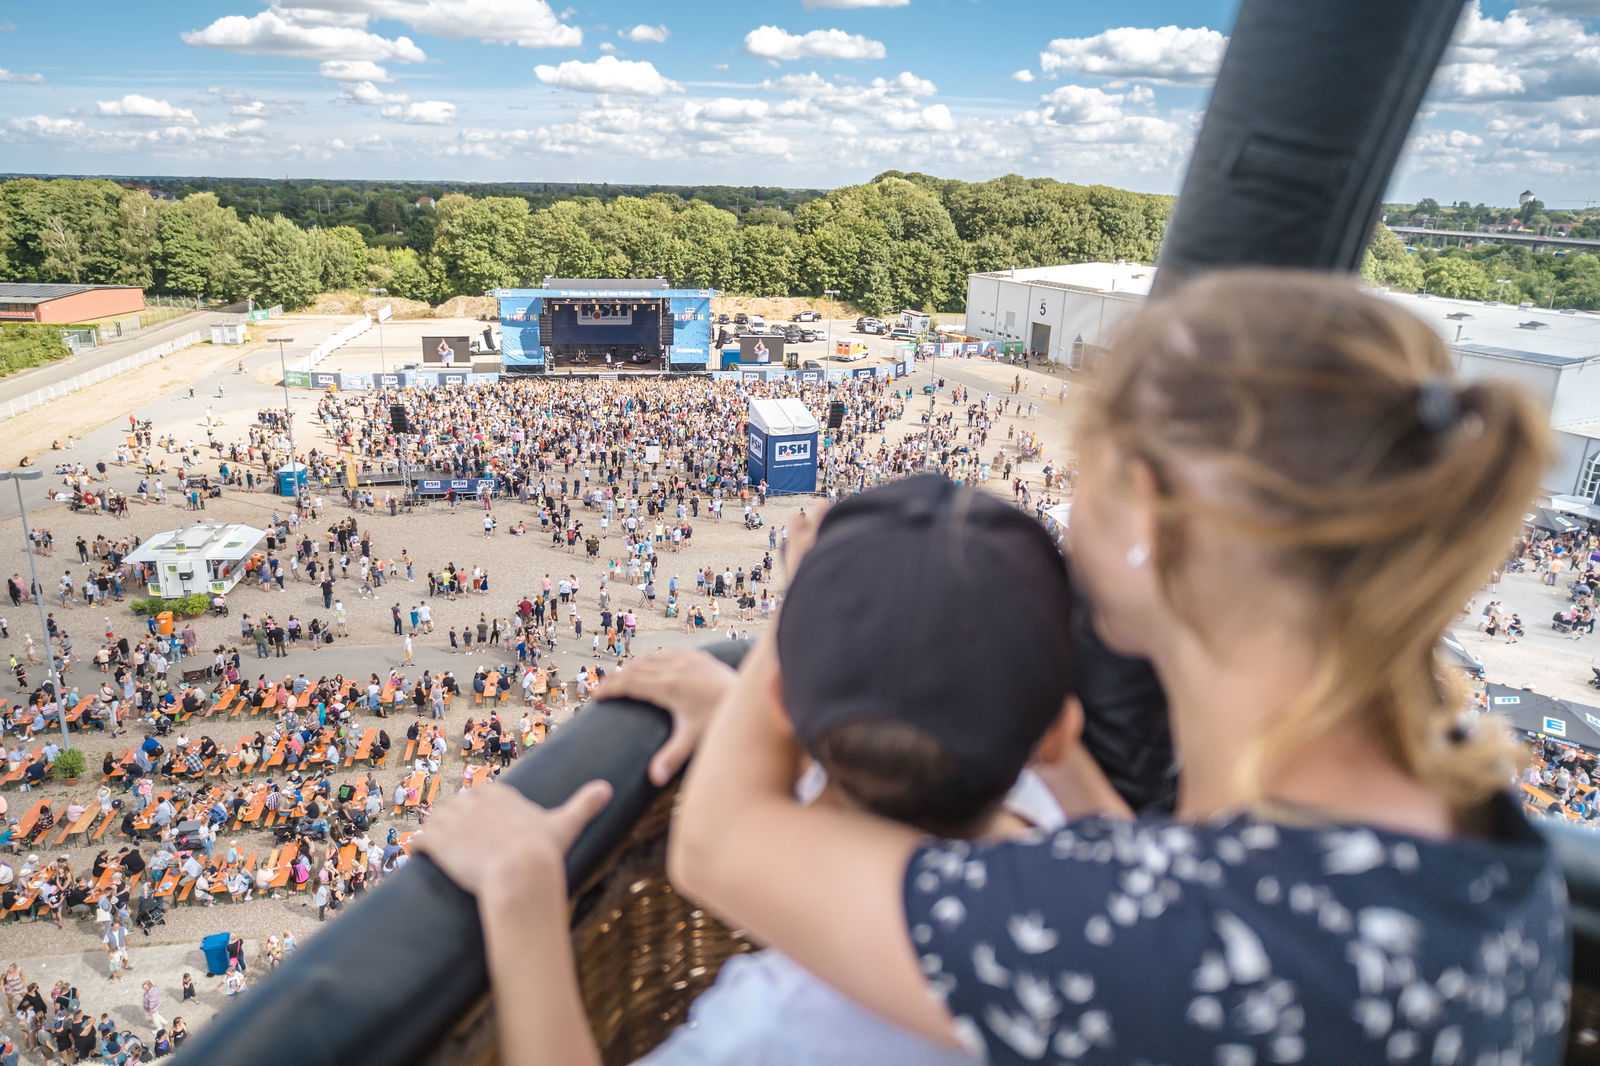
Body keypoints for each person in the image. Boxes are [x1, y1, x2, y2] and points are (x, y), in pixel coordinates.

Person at [435, 272, 1567, 1066]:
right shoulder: (1470, 838)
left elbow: (721, 843)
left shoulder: (1149, 936)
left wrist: (823, 601)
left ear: (1150, 514)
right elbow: (1172, 898)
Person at [416, 477, 1124, 1066]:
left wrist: (523, 905)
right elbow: (1111, 836)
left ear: (778, 703)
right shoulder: (1094, 871)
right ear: (1060, 732)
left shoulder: (776, 1032)